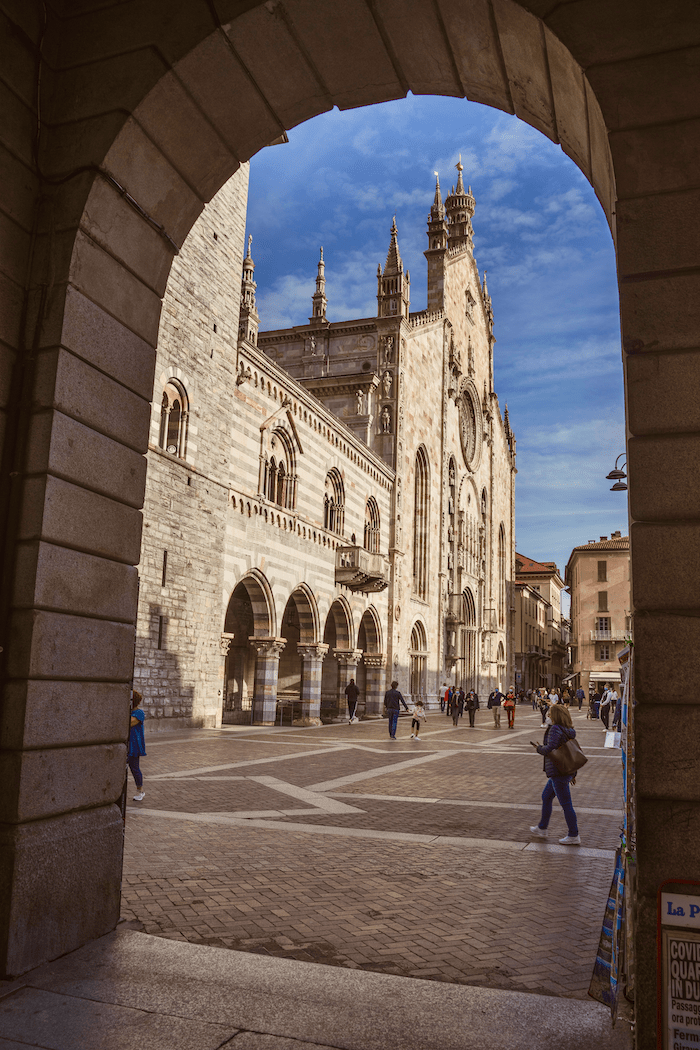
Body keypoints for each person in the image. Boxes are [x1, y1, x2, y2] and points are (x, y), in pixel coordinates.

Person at [529, 702, 581, 845]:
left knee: (566, 804)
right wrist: (573, 773)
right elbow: (570, 751)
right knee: (546, 796)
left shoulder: (555, 729)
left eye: (550, 714)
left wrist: (539, 748)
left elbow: (550, 749)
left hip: (558, 771)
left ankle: (573, 834)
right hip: (564, 770)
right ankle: (542, 827)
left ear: (556, 716)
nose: (548, 717)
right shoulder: (568, 730)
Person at [128, 690, 147, 801]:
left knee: (134, 768)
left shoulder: (139, 713)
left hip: (133, 746)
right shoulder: (128, 712)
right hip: (126, 744)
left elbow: (129, 723)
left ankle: (140, 791)